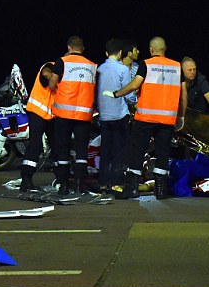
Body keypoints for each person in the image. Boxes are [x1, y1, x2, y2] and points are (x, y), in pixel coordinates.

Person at [106, 36, 186, 199]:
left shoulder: (147, 64)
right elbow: (183, 95)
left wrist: (116, 93)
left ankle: (132, 189)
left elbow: (135, 85)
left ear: (151, 49)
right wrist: (181, 116)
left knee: (137, 152)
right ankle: (161, 191)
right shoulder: (177, 67)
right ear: (165, 48)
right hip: (167, 120)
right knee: (163, 154)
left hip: (145, 119)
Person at [49, 36, 98, 195]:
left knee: (63, 149)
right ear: (82, 49)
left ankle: (63, 185)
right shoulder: (92, 66)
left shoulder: (62, 62)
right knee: (81, 150)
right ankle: (79, 185)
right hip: (83, 115)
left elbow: (52, 83)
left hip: (64, 113)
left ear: (69, 47)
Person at [96, 39, 135, 192]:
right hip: (119, 115)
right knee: (118, 151)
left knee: (105, 150)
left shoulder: (100, 69)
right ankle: (115, 183)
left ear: (106, 53)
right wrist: (134, 101)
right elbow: (127, 92)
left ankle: (103, 183)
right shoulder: (123, 69)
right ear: (120, 53)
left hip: (104, 115)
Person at [18, 59, 57, 192]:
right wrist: (55, 80)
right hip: (37, 113)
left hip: (52, 115)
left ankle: (62, 179)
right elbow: (46, 73)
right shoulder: (51, 66)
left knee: (57, 147)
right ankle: (26, 180)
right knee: (35, 145)